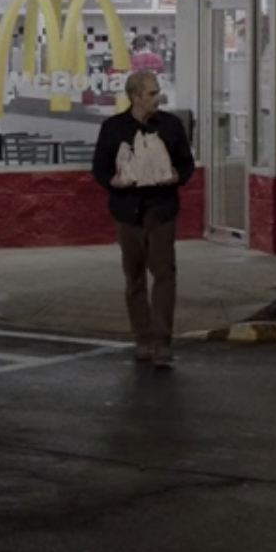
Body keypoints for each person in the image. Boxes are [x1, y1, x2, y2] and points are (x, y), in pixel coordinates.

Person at [90, 70, 195, 369]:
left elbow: (186, 163)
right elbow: (98, 168)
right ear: (135, 96)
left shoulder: (171, 126)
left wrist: (177, 176)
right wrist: (114, 182)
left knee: (164, 274)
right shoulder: (113, 128)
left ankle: (162, 341)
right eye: (151, 93)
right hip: (127, 210)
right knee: (133, 276)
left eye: (158, 92)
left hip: (161, 209)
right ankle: (143, 337)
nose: (157, 97)